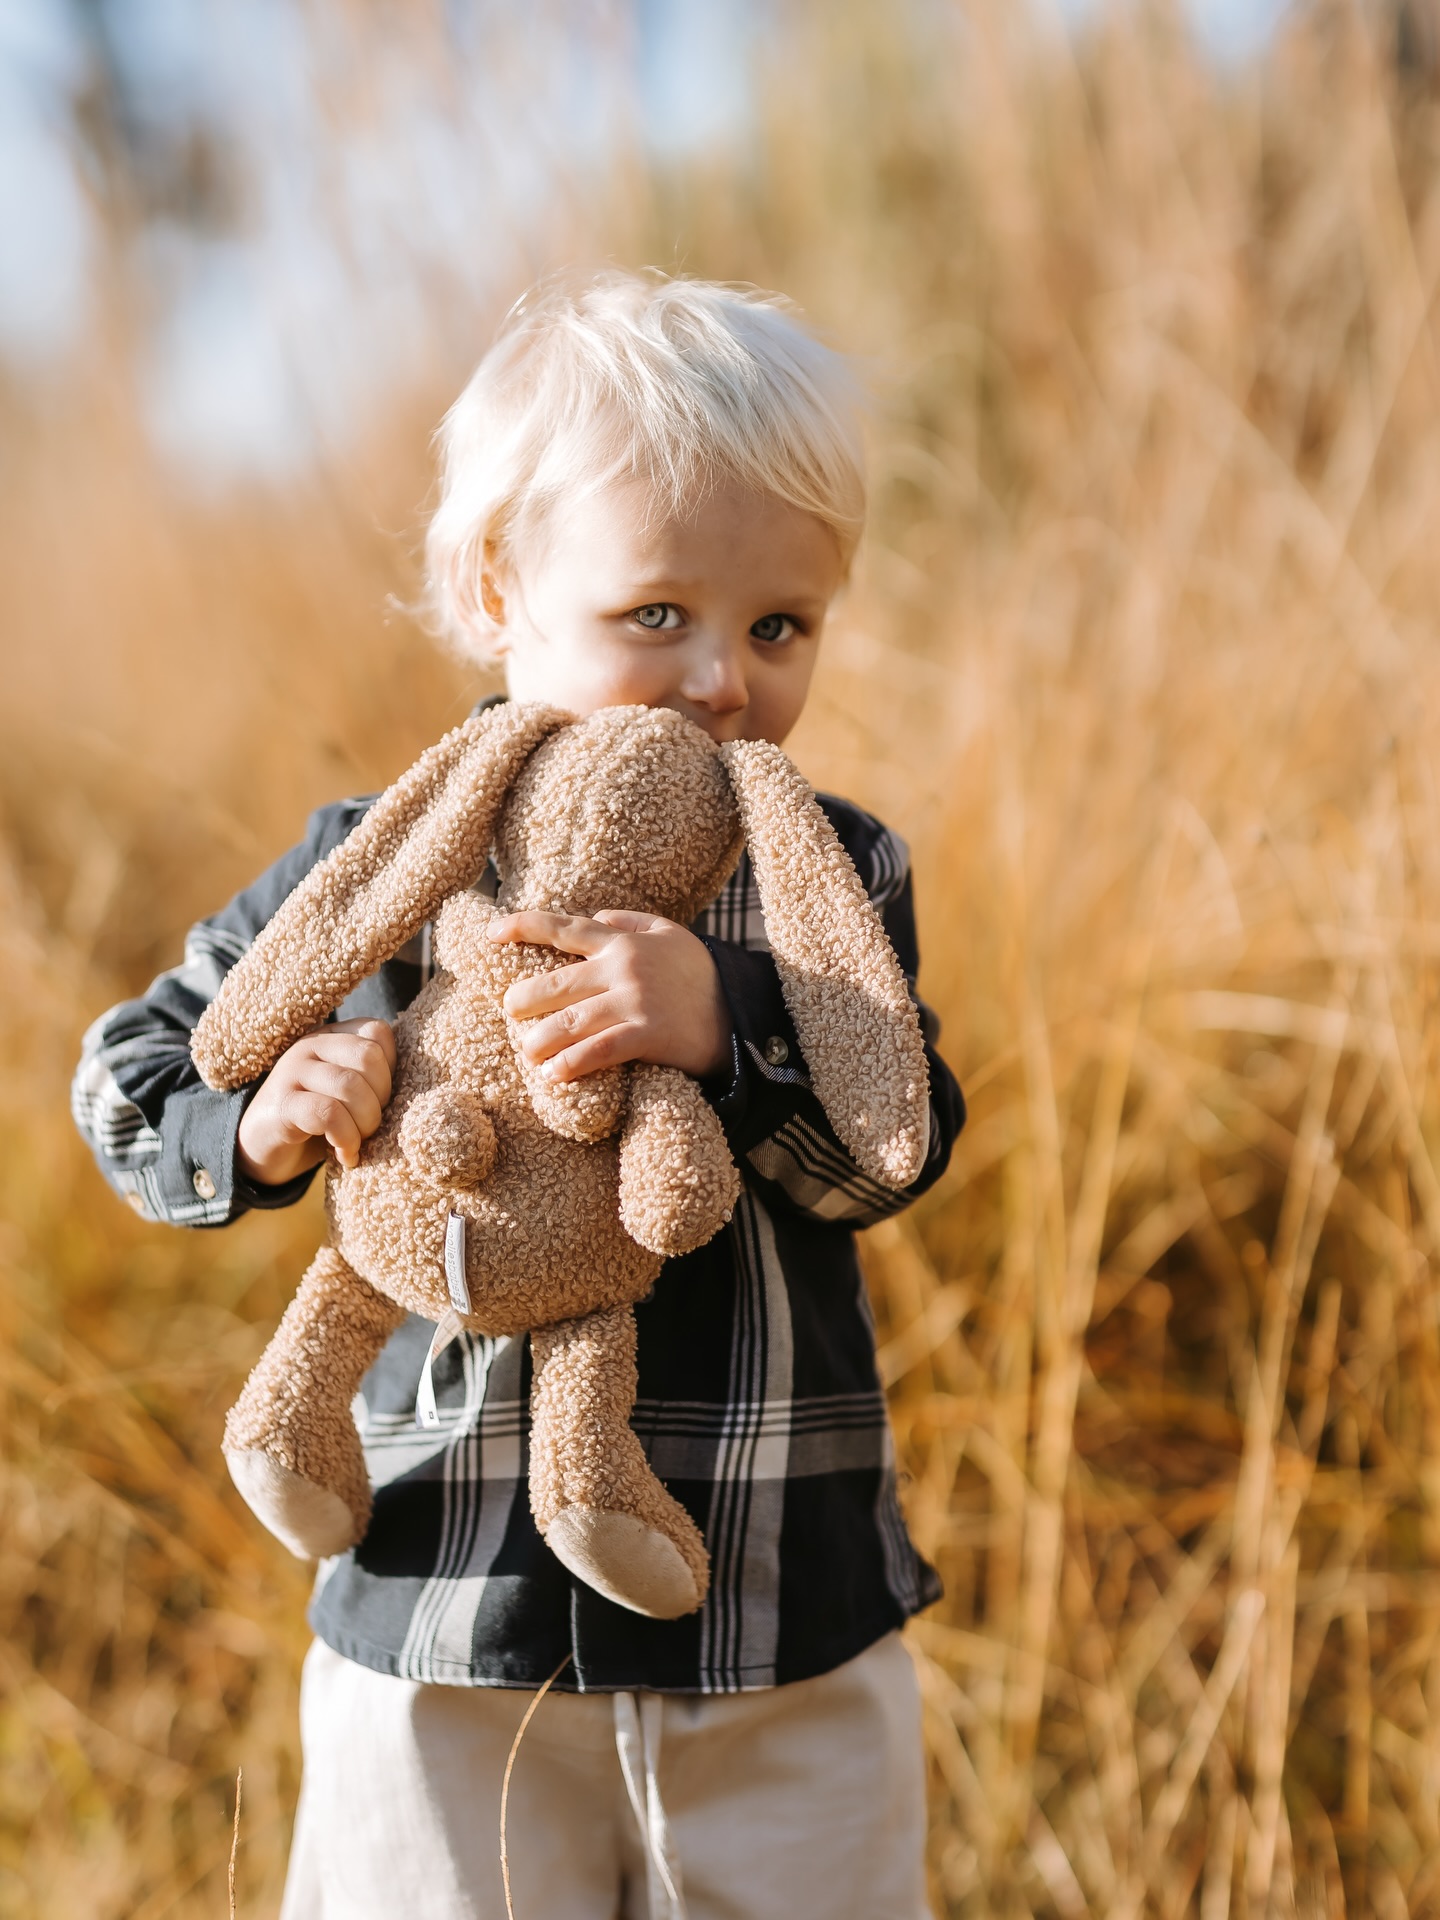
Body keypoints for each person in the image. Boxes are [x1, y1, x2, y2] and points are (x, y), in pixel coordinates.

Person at [72, 270, 966, 1920]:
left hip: (772, 1605)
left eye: (779, 626)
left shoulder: (824, 873)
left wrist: (735, 1025)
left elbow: (892, 1147)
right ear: (501, 585)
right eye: (657, 615)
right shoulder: (387, 853)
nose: (720, 680)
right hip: (444, 1615)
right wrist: (263, 1123)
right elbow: (133, 1071)